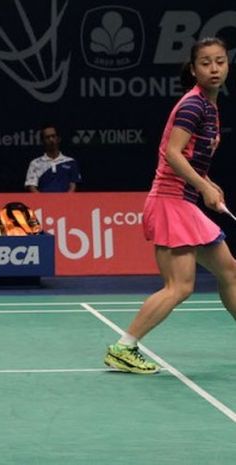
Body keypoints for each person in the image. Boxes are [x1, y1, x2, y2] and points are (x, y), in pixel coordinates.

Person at [103, 37, 235, 374]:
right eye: (205, 62)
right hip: (169, 202)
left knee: (229, 271)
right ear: (193, 69)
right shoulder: (193, 106)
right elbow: (173, 154)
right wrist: (203, 185)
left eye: (220, 61)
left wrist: (208, 184)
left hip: (183, 202)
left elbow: (191, 159)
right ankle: (124, 347)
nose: (214, 68)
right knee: (180, 286)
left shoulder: (210, 106)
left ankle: (124, 346)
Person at [24, 124, 80, 193]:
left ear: (58, 138)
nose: (51, 139)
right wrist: (43, 201)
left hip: (66, 202)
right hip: (42, 202)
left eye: (53, 136)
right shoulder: (35, 163)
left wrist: (65, 200)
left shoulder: (71, 162)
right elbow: (32, 187)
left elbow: (73, 186)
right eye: (47, 137)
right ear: (43, 141)